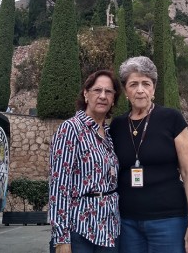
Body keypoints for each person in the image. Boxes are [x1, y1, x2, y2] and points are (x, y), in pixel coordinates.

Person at [110, 56, 188, 253]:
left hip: (168, 220)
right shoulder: (117, 126)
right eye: (133, 84)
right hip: (127, 223)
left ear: (153, 89)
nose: (140, 90)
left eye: (146, 83)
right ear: (125, 90)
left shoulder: (172, 119)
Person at [49, 70, 122, 253]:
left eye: (109, 92)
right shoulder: (70, 129)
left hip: (109, 229)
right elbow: (59, 186)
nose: (103, 96)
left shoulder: (108, 135)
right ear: (86, 93)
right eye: (97, 90)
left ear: (114, 99)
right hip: (79, 231)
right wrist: (61, 238)